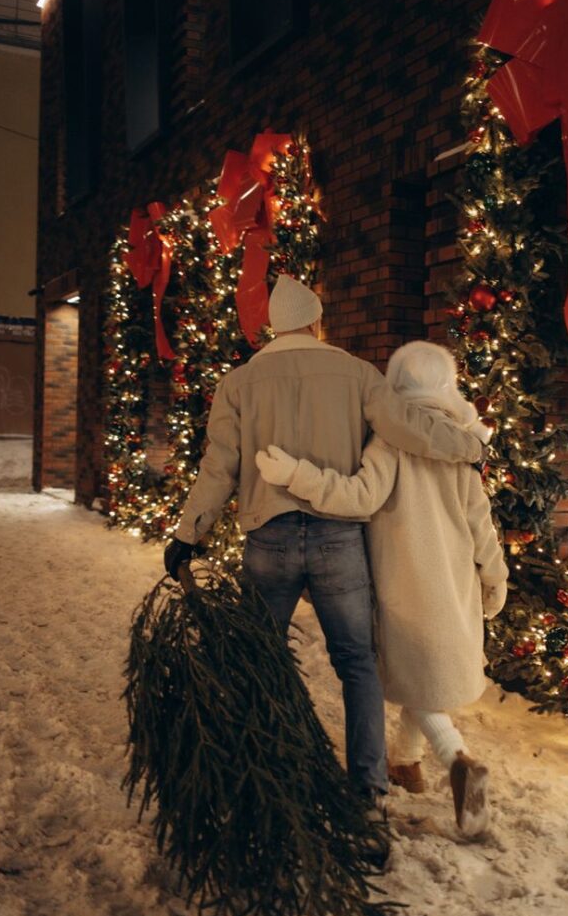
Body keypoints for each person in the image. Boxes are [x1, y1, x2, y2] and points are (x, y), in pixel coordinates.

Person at [164, 277, 486, 851]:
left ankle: (265, 773)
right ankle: (368, 791)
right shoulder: (357, 373)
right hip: (339, 539)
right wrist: (469, 447)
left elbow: (219, 466)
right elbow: (407, 428)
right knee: (357, 663)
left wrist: (189, 534)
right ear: (316, 322)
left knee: (260, 660)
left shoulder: (238, 383)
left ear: (273, 326)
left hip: (268, 537)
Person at [256, 340, 508, 838]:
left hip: (402, 585)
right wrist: (494, 577)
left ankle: (456, 758)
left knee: (414, 673)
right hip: (453, 583)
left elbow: (357, 496)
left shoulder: (390, 440)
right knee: (425, 674)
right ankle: (405, 761)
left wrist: (296, 475)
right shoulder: (458, 444)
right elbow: (481, 523)